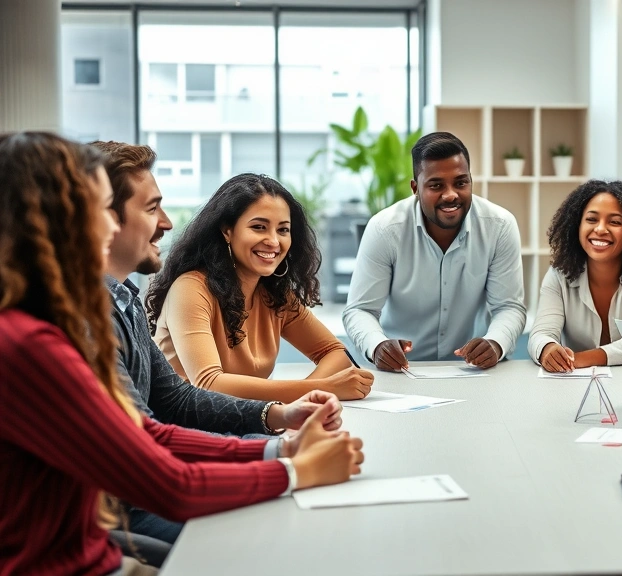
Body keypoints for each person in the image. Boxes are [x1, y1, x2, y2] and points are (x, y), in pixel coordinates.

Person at [0, 132, 363, 575]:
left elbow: (155, 422)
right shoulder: (36, 340)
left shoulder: (113, 301)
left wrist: (280, 442)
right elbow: (165, 479)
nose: (113, 226)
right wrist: (294, 469)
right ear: (59, 219)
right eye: (102, 211)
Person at [92, 140, 344, 545]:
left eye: (283, 230)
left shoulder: (124, 301)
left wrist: (279, 418)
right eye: (152, 208)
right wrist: (288, 462)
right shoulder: (86, 316)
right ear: (100, 218)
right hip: (121, 507)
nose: (168, 223)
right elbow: (156, 432)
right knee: (260, 539)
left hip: (152, 479)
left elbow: (175, 400)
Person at [146, 173, 374, 403]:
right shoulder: (191, 289)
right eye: (259, 227)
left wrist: (311, 394)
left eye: (283, 230)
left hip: (246, 422)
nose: (274, 241)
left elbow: (335, 352)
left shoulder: (275, 294)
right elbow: (208, 384)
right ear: (227, 231)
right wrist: (319, 390)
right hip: (188, 428)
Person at [343, 132, 527, 371]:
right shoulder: (384, 229)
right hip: (401, 372)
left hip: (473, 372)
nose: (450, 194)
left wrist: (495, 343)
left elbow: (509, 307)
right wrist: (377, 345)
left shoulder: (500, 226)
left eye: (461, 182)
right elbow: (360, 309)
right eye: (436, 185)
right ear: (415, 188)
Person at [528, 180, 622, 371]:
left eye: (615, 222)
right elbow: (540, 333)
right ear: (577, 225)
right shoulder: (560, 272)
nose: (600, 229)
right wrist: (548, 349)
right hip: (574, 387)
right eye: (591, 219)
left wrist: (579, 359)